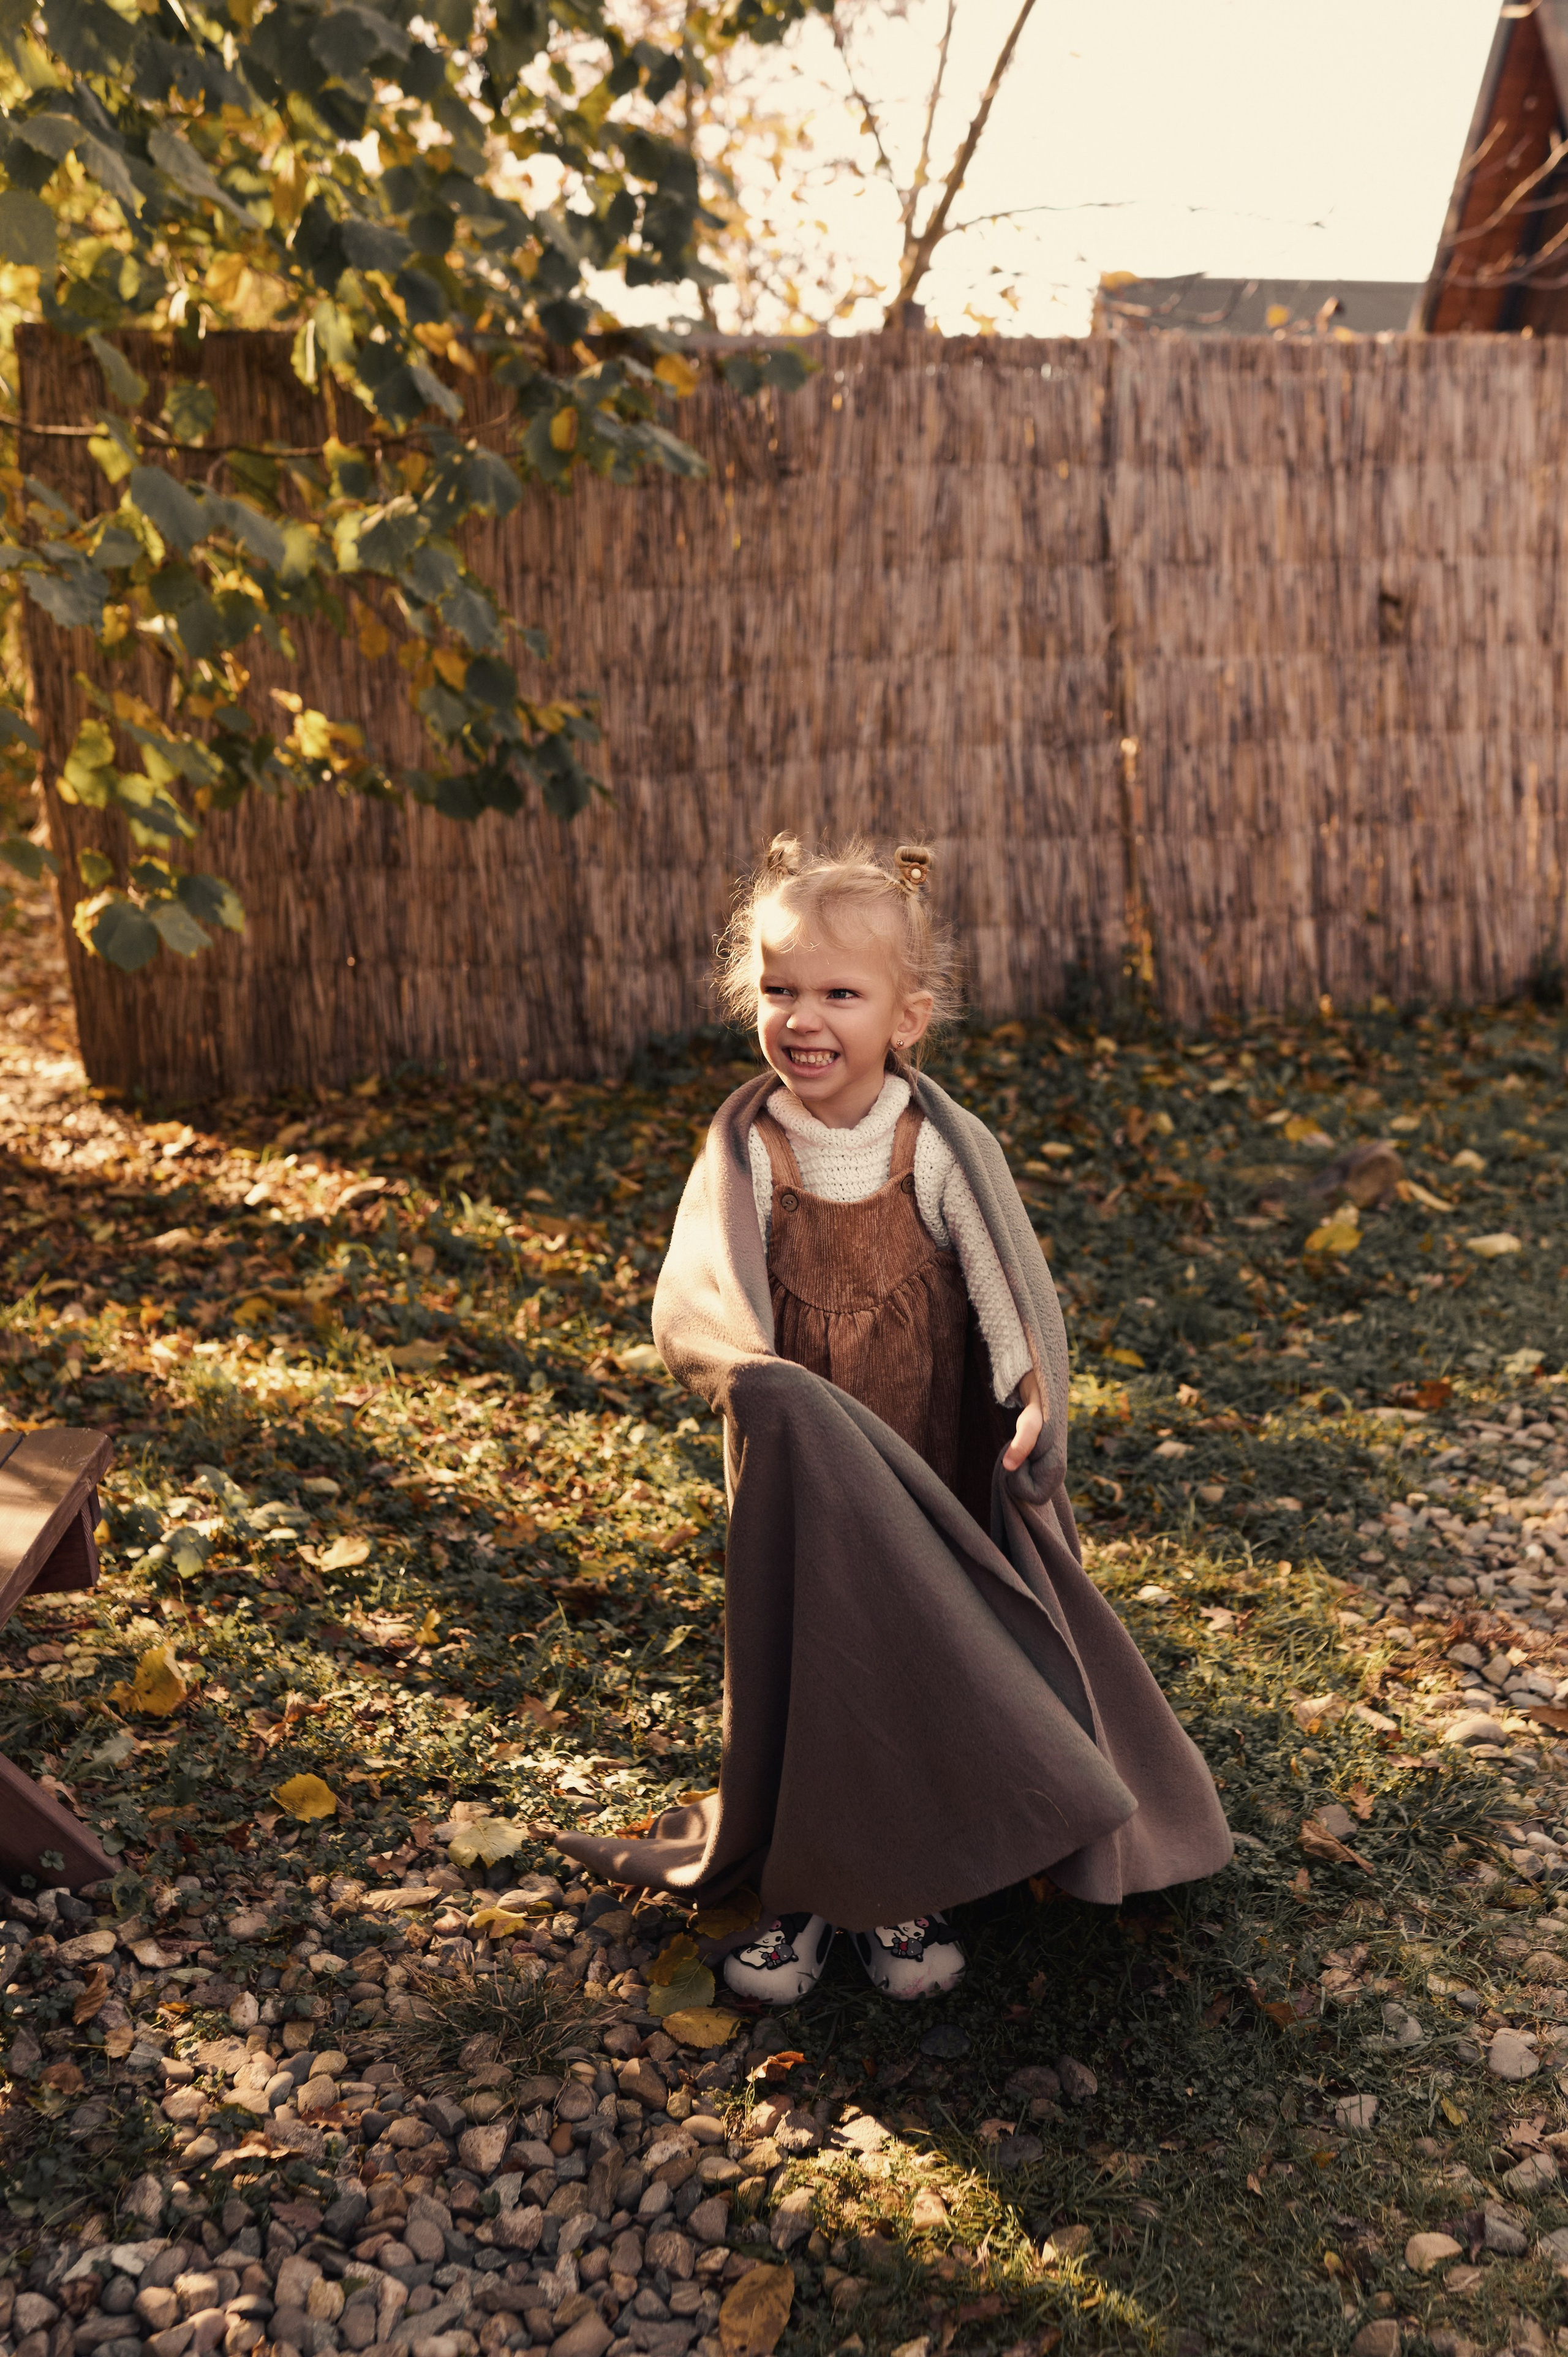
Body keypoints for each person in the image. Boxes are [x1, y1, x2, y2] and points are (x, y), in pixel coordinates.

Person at [556, 834, 1232, 2005]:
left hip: (925, 1465)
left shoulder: (930, 1146)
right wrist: (758, 1387)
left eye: (838, 993)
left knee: (916, 1657)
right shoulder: (755, 1149)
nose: (802, 1019)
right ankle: (811, 1892)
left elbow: (999, 1282)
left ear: (906, 1017)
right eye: (777, 990)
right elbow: (702, 1295)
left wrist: (1028, 1396)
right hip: (808, 1480)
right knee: (823, 1669)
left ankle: (905, 1884)